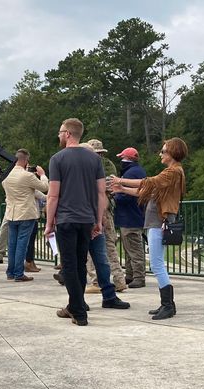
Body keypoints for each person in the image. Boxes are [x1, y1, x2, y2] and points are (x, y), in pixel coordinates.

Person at [45, 119, 116, 326]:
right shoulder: (94, 160)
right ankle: (76, 304)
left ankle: (78, 311)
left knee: (69, 266)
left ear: (67, 134)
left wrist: (49, 223)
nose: (58, 135)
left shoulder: (57, 159)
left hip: (66, 219)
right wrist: (99, 220)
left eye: (60, 132)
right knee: (80, 263)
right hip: (87, 219)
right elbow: (101, 192)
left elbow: (53, 195)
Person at [111, 137, 189, 320]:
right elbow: (147, 191)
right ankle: (167, 304)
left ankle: (168, 305)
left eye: (163, 151)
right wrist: (122, 189)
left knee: (156, 263)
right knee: (157, 263)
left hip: (159, 222)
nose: (160, 154)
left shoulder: (173, 172)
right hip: (156, 221)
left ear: (172, 153)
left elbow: (149, 182)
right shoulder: (171, 172)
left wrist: (120, 180)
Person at [83, 139, 127, 293]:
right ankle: (119, 279)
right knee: (110, 246)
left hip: (94, 210)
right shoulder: (108, 166)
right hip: (107, 209)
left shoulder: (89, 168)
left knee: (92, 248)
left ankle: (96, 281)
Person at [2, 149, 48, 282]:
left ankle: (10, 271)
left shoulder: (6, 175)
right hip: (26, 214)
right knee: (22, 244)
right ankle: (18, 273)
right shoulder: (27, 176)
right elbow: (44, 187)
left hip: (11, 213)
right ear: (26, 161)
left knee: (12, 244)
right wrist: (42, 174)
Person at [114, 147, 147, 288]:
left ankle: (138, 276)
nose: (121, 161)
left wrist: (115, 195)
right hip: (133, 216)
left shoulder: (131, 173)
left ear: (127, 159)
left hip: (130, 217)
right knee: (129, 248)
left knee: (134, 248)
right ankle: (130, 275)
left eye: (123, 158)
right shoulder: (137, 171)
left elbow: (126, 197)